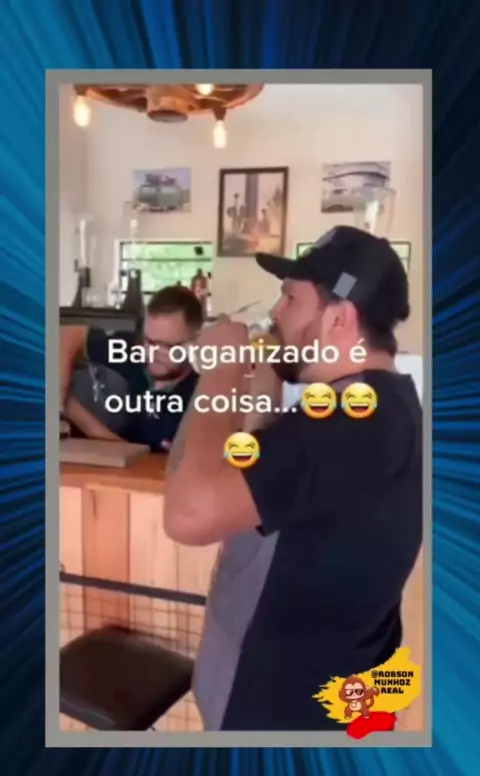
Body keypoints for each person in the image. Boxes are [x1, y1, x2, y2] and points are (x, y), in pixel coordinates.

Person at [164, 226, 422, 730]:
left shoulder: (351, 418)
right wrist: (263, 375)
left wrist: (221, 372)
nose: (275, 312)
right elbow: (233, 470)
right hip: (321, 696)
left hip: (279, 711)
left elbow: (187, 516)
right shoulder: (381, 405)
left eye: (290, 298)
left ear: (339, 319)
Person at [61, 285, 202, 452]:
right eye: (149, 340)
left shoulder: (197, 401)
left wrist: (73, 409)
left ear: (195, 343)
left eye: (167, 346)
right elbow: (68, 334)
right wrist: (60, 395)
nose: (150, 353)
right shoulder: (132, 351)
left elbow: (138, 457)